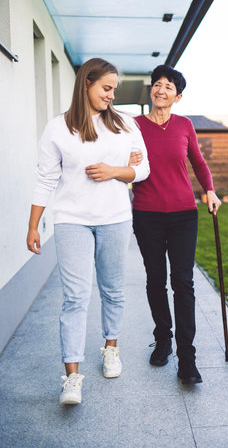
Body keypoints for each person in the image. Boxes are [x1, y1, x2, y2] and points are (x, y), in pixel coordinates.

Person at [26, 58, 149, 404]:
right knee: (75, 298)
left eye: (114, 89)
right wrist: (33, 224)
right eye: (106, 88)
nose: (112, 95)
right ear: (86, 84)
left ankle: (111, 348)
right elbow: (45, 179)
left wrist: (115, 170)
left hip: (114, 219)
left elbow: (143, 170)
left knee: (112, 291)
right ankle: (72, 378)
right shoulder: (57, 128)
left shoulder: (125, 124)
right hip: (71, 221)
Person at [132, 65, 221, 385]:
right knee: (155, 279)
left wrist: (209, 190)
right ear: (151, 91)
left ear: (177, 96)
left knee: (183, 282)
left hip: (184, 214)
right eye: (157, 84)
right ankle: (163, 340)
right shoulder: (134, 125)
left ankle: (187, 356)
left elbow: (198, 161)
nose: (161, 90)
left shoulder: (184, 126)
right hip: (146, 214)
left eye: (168, 87)